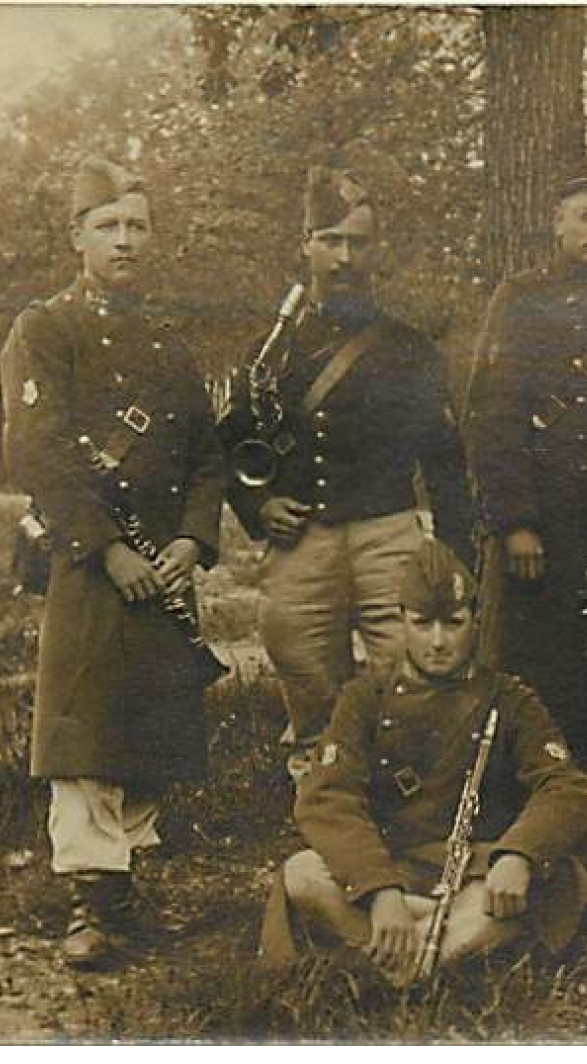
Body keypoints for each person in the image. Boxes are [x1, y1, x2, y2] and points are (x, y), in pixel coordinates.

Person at [0, 157, 225, 970]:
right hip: (90, 564)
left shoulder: (167, 342)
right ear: (76, 236)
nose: (124, 240)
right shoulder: (45, 328)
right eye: (108, 226)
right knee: (87, 724)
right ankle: (88, 905)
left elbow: (206, 453)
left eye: (136, 225)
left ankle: (127, 898)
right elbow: (38, 452)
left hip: (161, 570)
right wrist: (108, 548)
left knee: (149, 727)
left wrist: (191, 542)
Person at [217, 164, 473, 760]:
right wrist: (260, 503)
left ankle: (407, 799)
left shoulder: (410, 349)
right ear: (306, 245)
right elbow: (229, 443)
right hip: (302, 538)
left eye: (358, 242)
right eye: (330, 241)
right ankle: (324, 800)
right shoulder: (270, 349)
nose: (344, 257)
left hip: (388, 534)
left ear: (376, 250)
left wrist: (456, 556)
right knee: (303, 667)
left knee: (410, 673)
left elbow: (444, 461)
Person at [258, 539, 587, 984]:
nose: (438, 642)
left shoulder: (509, 699)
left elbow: (564, 787)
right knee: (303, 874)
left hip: (478, 869)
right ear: (402, 622)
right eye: (422, 624)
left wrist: (519, 855)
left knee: (522, 891)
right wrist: (381, 891)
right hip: (392, 864)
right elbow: (327, 797)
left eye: (453, 624)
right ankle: (440, 953)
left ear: (475, 623)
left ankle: (395, 969)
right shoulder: (364, 698)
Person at [465, 165, 587, 778]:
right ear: (558, 223)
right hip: (540, 521)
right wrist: (516, 521)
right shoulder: (522, 296)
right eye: (584, 216)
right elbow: (494, 412)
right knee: (526, 666)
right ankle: (512, 801)